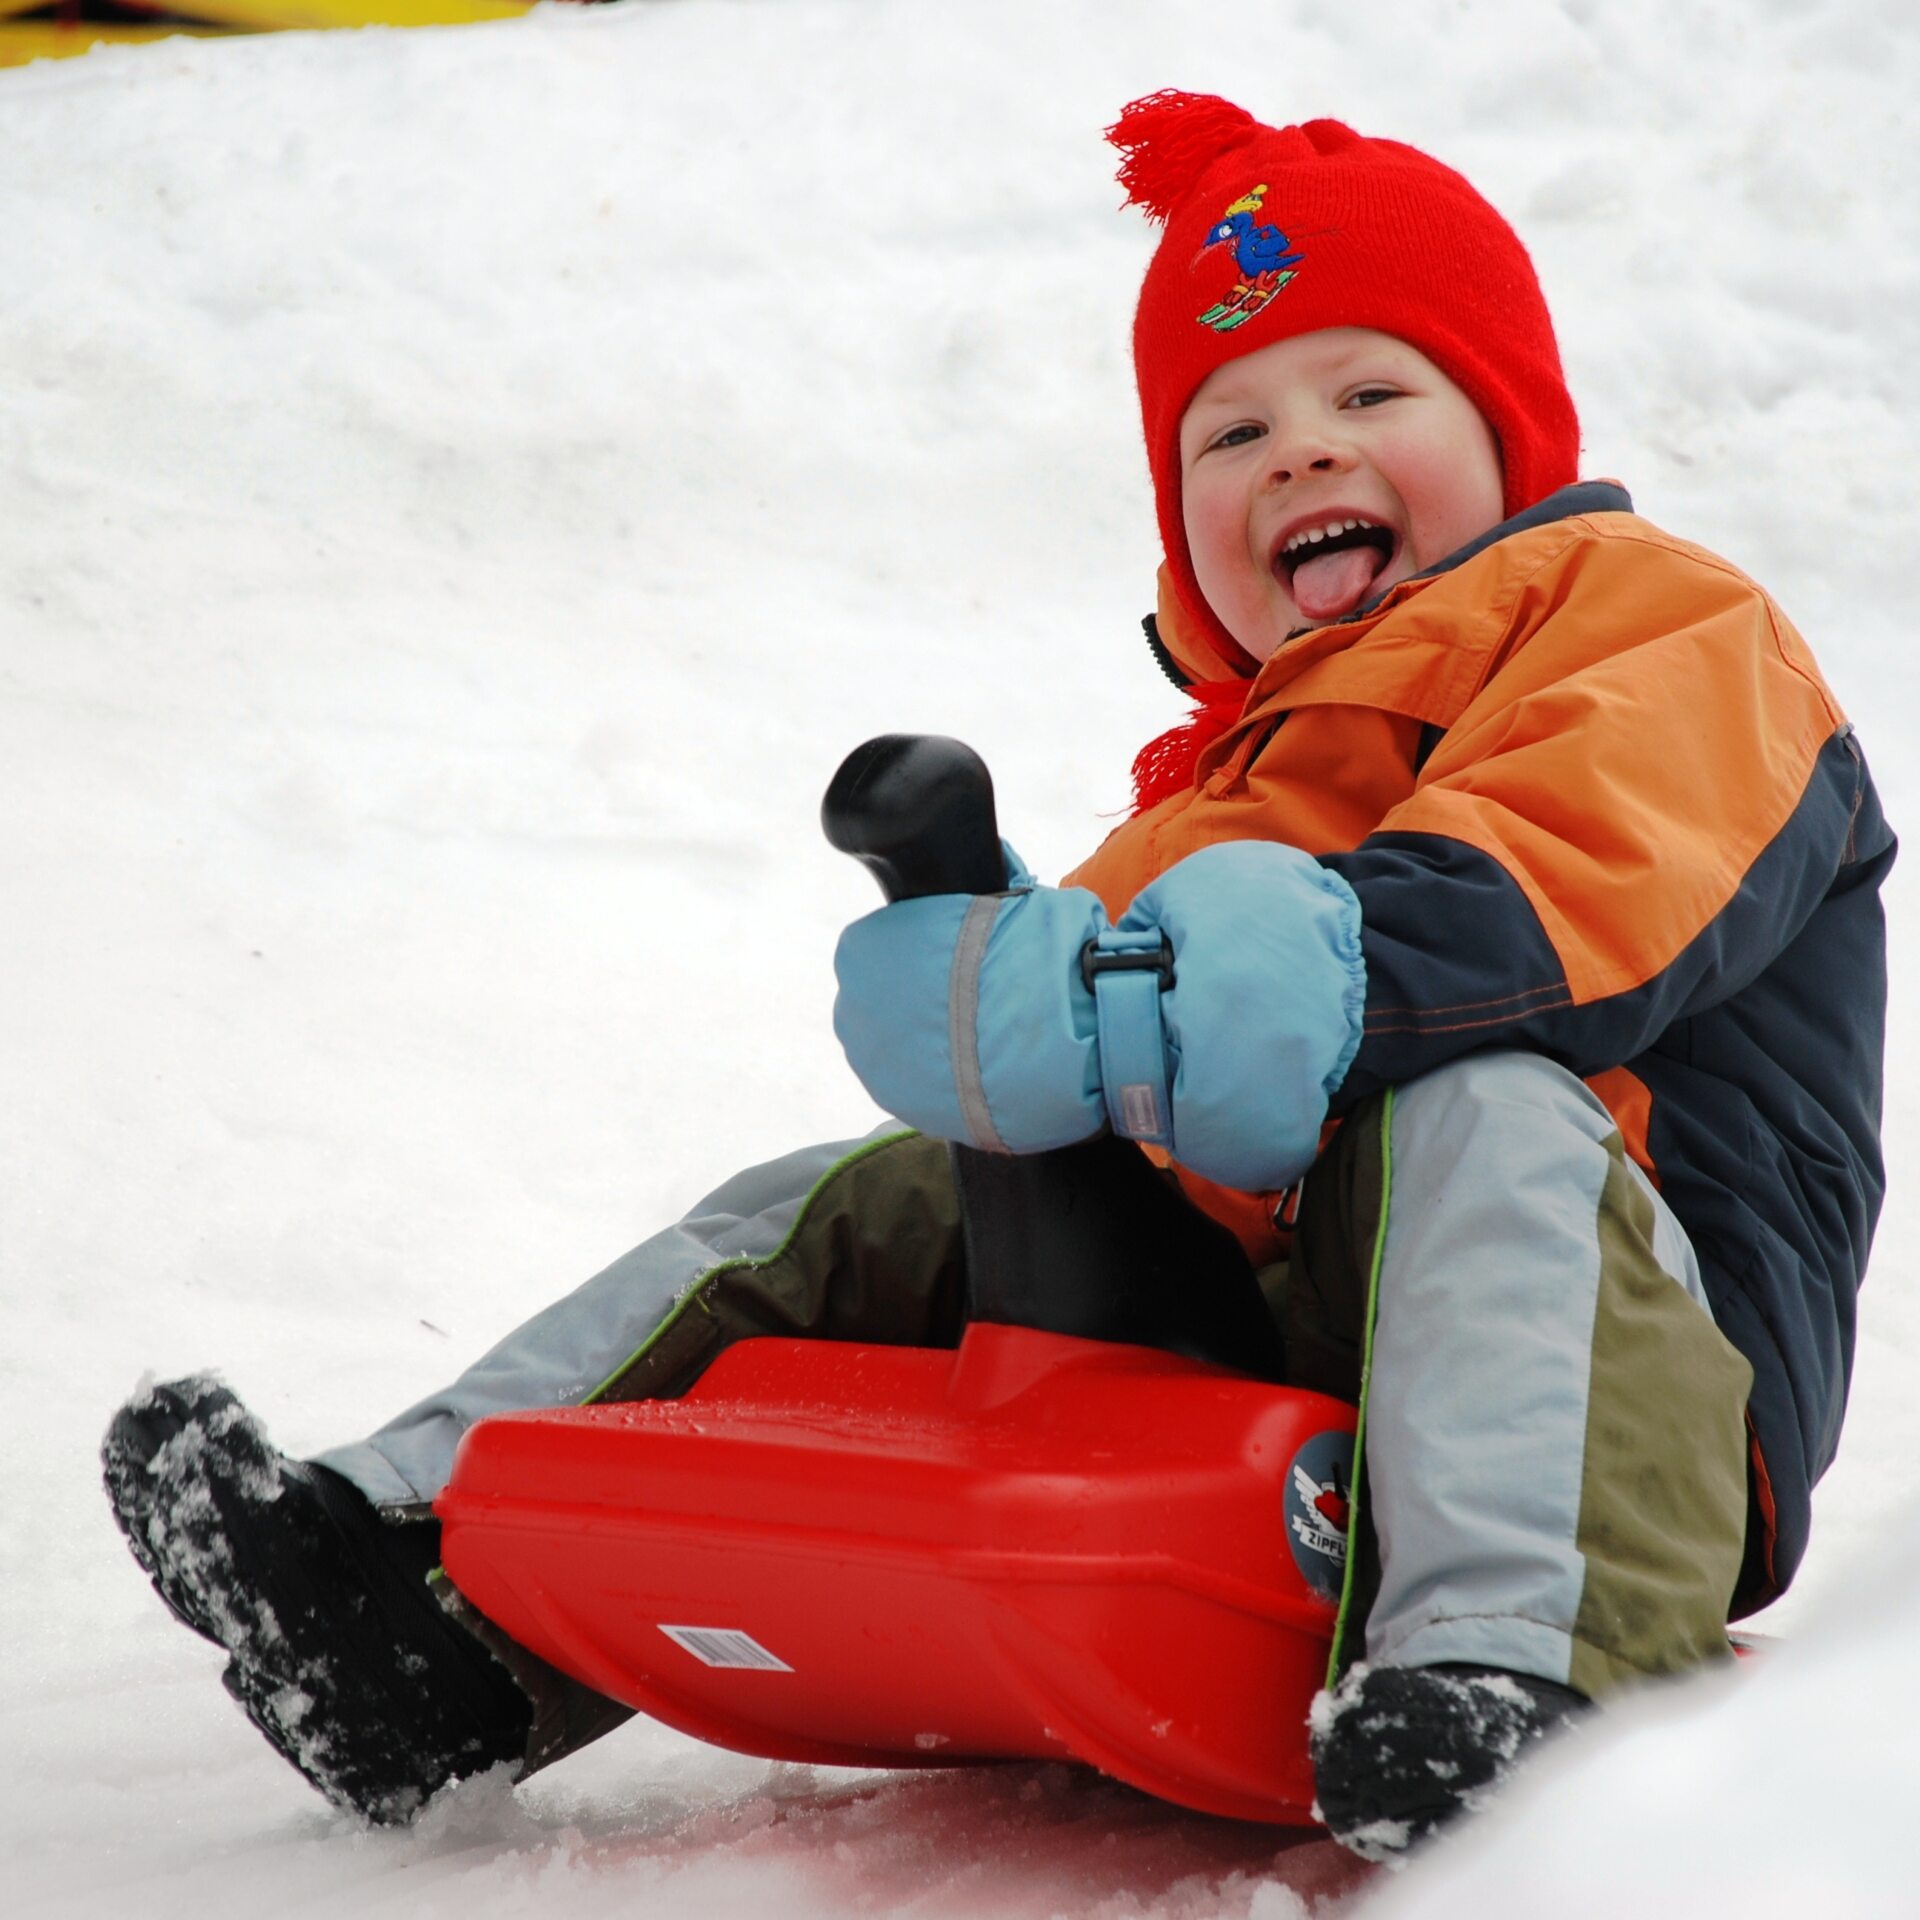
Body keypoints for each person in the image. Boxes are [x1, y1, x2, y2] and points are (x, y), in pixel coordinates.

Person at [102, 92, 1892, 1860]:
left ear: (1509, 433)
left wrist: (1198, 987)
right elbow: (1129, 1049)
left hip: (1633, 1357)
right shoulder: (1215, 790)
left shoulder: (1656, 617)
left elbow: (1565, 886)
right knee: (841, 1208)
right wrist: (999, 1006)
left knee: (1482, 1105)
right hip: (1305, 1311)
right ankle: (417, 1599)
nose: (1299, 454)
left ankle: (1523, 1664)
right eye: (1231, 432)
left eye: (1370, 395)